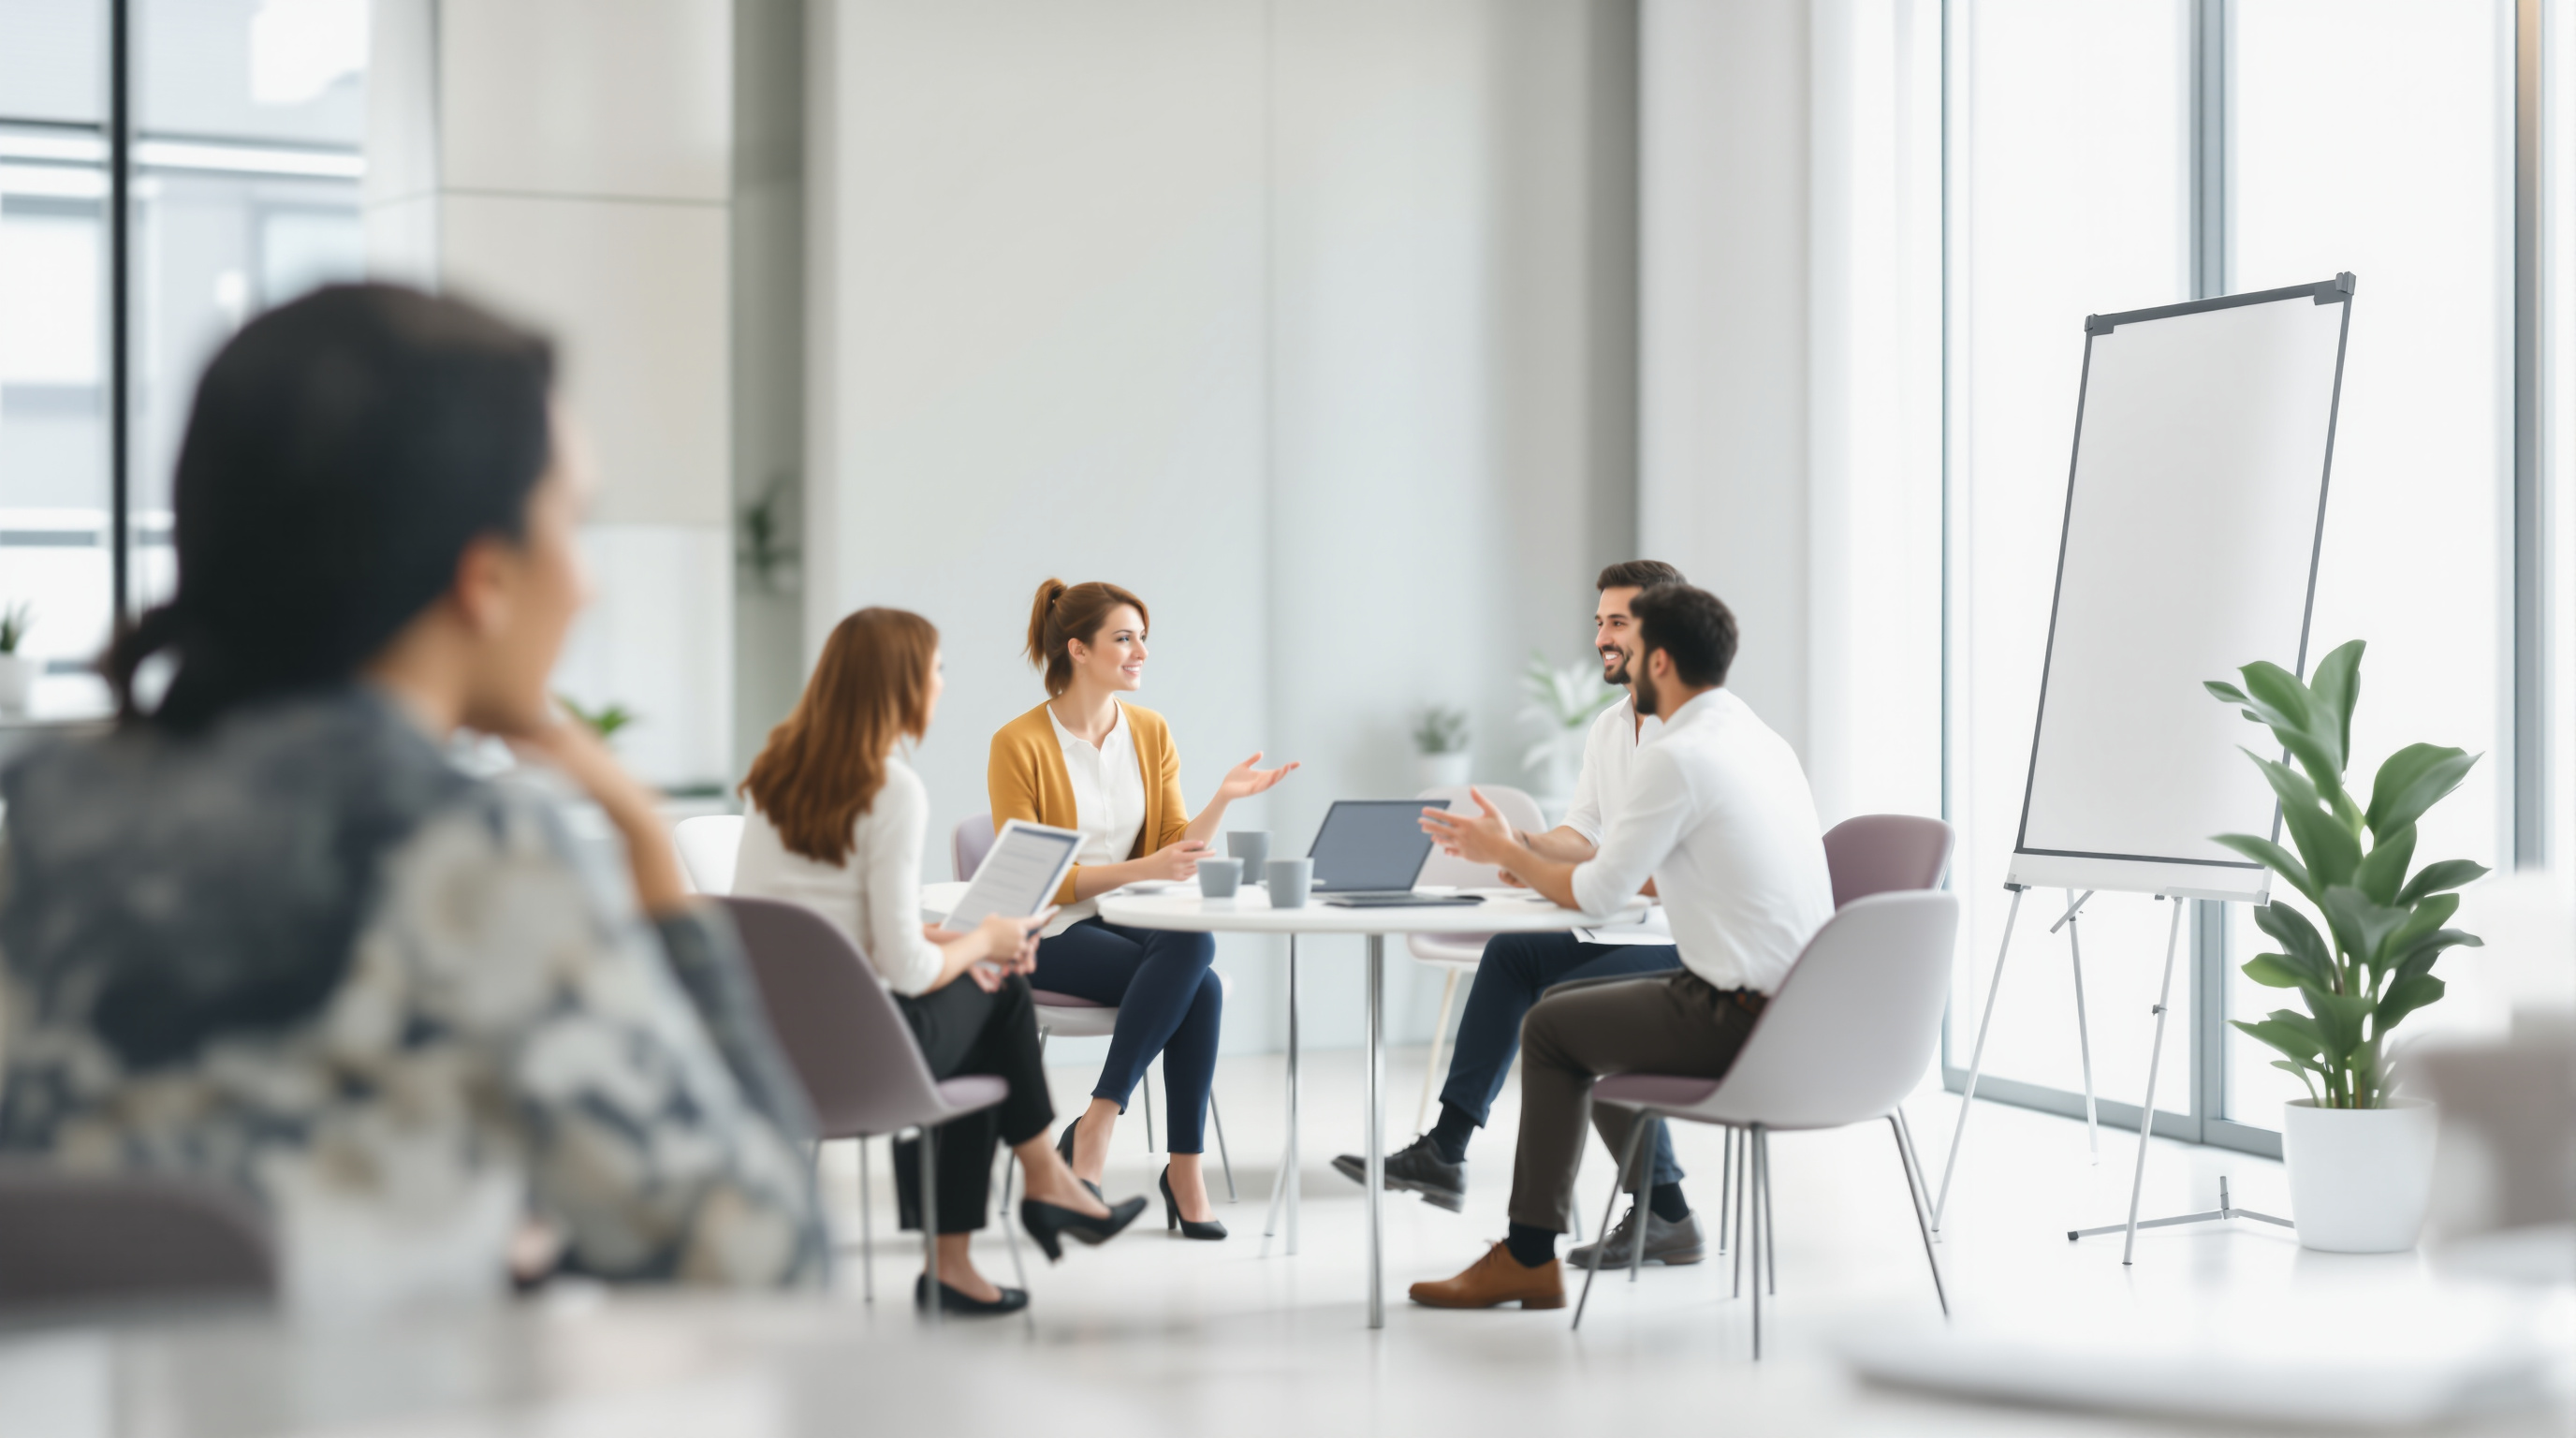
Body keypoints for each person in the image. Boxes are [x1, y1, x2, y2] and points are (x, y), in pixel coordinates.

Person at [0, 284, 826, 1292]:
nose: (587, 582)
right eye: (572, 523)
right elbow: (766, 1260)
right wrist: (655, 866)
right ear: (484, 579)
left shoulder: (38, 813)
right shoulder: (466, 851)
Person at [1406, 583, 1834, 1310]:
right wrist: (1527, 852)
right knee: (1579, 1010)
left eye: (1628, 649)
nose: (1617, 660)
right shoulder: (1764, 742)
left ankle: (1529, 1256)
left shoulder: (1678, 754)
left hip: (1740, 1011)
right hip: (1808, 1005)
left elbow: (1601, 892)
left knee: (1550, 1027)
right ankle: (1660, 1213)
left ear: (1660, 660)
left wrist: (1503, 846)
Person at [734, 607, 1147, 1314]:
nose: (942, 685)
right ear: (897, 685)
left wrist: (958, 939)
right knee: (999, 997)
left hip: (778, 1044)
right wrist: (986, 942)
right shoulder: (890, 788)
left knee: (984, 992)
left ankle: (999, 1226)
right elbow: (905, 973)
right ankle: (1039, 1188)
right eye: (936, 670)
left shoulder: (776, 775)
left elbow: (835, 934)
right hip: (861, 1056)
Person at [1334, 560, 1707, 1269]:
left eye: (1618, 623)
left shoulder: (1689, 739)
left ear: (1661, 632)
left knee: (1570, 1004)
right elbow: (1586, 829)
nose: (1601, 636)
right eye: (1599, 621)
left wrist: (1551, 869)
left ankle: (1641, 1214)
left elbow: (1659, 873)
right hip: (1625, 924)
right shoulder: (1608, 728)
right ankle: (1446, 1150)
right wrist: (1524, 844)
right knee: (1514, 952)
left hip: (1686, 938)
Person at [989, 580, 1295, 1240]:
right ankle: (1153, 1159)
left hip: (1124, 923)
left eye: (1143, 638)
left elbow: (1169, 846)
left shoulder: (1150, 731)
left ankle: (1120, 1135)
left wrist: (1223, 799)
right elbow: (1035, 880)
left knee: (1194, 956)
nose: (1141, 653)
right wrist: (1145, 871)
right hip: (1049, 933)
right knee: (1200, 976)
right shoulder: (1017, 744)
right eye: (1124, 638)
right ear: (1078, 649)